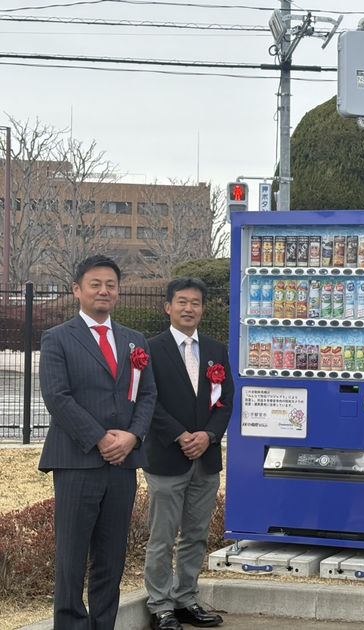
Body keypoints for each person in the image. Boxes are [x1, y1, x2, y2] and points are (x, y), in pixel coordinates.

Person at [38, 254, 156, 630]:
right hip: (77, 461)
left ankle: (104, 623)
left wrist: (133, 436)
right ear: (77, 290)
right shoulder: (57, 338)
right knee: (71, 557)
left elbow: (148, 394)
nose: (104, 291)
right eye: (95, 284)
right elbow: (57, 396)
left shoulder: (135, 341)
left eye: (111, 285)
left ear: (118, 292)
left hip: (123, 464)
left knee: (112, 556)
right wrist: (100, 437)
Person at [144, 278, 234, 630]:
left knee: (196, 534)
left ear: (202, 308)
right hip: (167, 457)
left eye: (195, 303)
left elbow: (226, 400)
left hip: (206, 458)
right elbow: (147, 400)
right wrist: (181, 435)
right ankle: (160, 605)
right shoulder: (150, 348)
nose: (188, 308)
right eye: (181, 302)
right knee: (162, 536)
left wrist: (209, 435)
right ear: (168, 306)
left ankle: (186, 599)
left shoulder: (216, 349)